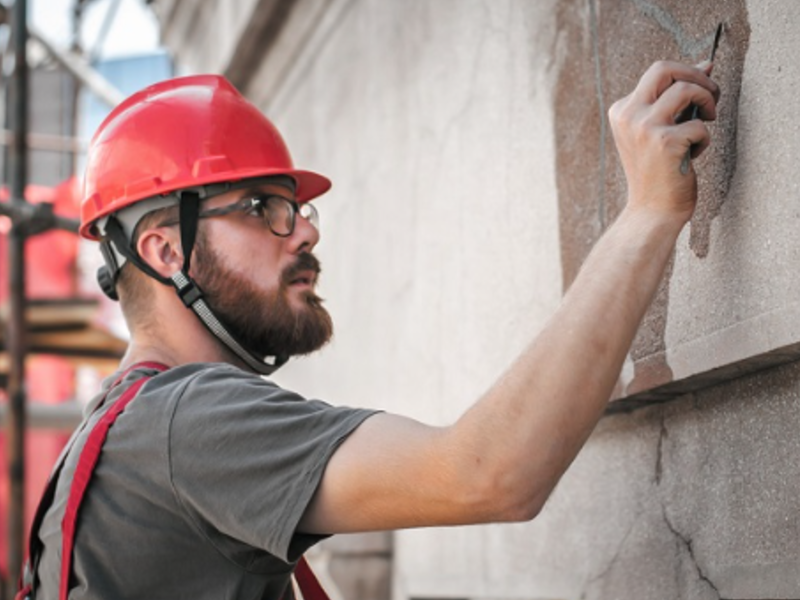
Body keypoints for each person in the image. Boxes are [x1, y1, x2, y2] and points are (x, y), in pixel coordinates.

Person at [25, 59, 719, 600]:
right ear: (166, 251)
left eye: (298, 209)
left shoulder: (114, 432)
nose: (302, 232)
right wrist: (648, 213)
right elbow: (488, 474)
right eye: (264, 207)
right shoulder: (189, 422)